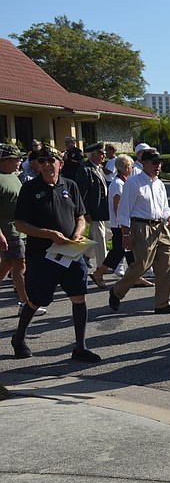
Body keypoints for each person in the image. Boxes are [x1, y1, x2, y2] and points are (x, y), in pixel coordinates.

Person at [12, 146, 100, 362]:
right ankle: (19, 337)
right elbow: (20, 223)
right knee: (37, 300)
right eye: (43, 161)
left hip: (71, 252)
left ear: (60, 163)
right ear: (38, 165)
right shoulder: (30, 189)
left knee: (79, 297)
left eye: (52, 160)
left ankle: (80, 347)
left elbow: (80, 215)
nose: (47, 164)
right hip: (42, 255)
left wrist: (78, 233)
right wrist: (48, 234)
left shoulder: (70, 185)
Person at [108, 148, 170, 314]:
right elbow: (124, 211)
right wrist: (125, 234)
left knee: (167, 264)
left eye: (160, 163)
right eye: (155, 163)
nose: (158, 166)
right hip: (141, 227)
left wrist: (169, 217)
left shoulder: (160, 184)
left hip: (160, 227)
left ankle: (162, 303)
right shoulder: (133, 183)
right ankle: (117, 291)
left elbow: (165, 208)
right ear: (144, 163)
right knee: (141, 265)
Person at [89, 154, 152, 289]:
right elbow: (118, 206)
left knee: (128, 250)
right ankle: (98, 273)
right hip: (119, 224)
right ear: (125, 167)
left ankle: (135, 277)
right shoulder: (118, 183)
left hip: (121, 223)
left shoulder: (123, 181)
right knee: (119, 250)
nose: (132, 168)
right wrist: (124, 225)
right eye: (131, 166)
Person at [0, 144, 46, 317]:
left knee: (9, 264)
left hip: (19, 229)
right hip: (8, 231)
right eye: (17, 158)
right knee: (20, 265)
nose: (21, 161)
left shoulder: (13, 176)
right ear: (6, 160)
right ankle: (25, 302)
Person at [76, 142, 110, 282]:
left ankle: (84, 254)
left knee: (108, 233)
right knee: (101, 238)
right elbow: (81, 194)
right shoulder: (86, 170)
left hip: (103, 211)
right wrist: (86, 212)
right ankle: (101, 268)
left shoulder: (99, 169)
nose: (103, 156)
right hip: (94, 212)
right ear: (93, 155)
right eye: (101, 153)